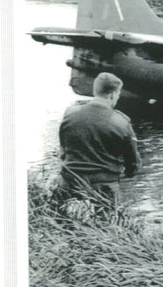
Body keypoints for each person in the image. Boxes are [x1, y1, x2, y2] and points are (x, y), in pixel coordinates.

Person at [55, 72, 141, 212]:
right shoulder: (122, 122)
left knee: (63, 221)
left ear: (95, 91)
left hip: (70, 183)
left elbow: (63, 151)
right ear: (113, 94)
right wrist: (127, 173)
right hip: (104, 188)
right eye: (118, 94)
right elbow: (133, 165)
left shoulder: (70, 113)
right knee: (111, 224)